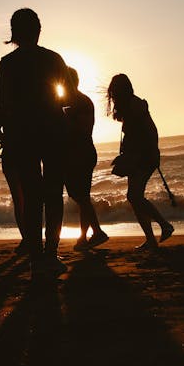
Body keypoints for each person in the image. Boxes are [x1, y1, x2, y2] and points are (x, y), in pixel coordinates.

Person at [0, 8, 69, 275]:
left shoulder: (7, 63)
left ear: (14, 32)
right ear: (38, 29)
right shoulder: (54, 59)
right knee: (53, 193)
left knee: (32, 195)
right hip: (53, 131)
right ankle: (52, 251)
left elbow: (2, 105)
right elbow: (66, 99)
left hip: (20, 134)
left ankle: (36, 256)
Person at [106, 73, 174, 251]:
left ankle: (164, 225)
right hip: (137, 156)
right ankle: (151, 238)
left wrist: (152, 152)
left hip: (143, 157)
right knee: (134, 197)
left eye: (114, 91)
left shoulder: (135, 105)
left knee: (134, 196)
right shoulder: (130, 105)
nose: (112, 95)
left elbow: (150, 130)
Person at [63, 67, 109, 251]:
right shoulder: (73, 101)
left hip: (80, 153)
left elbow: (82, 129)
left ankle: (97, 231)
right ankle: (83, 237)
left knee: (79, 195)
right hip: (79, 152)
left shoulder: (79, 102)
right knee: (82, 195)